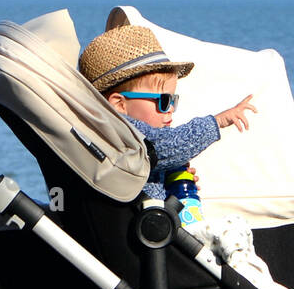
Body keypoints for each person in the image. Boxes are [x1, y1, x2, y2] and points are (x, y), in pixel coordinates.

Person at [77, 24, 256, 198]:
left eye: (172, 100)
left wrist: (172, 181)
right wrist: (216, 122)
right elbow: (166, 146)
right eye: (163, 101)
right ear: (119, 105)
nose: (170, 109)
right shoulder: (122, 134)